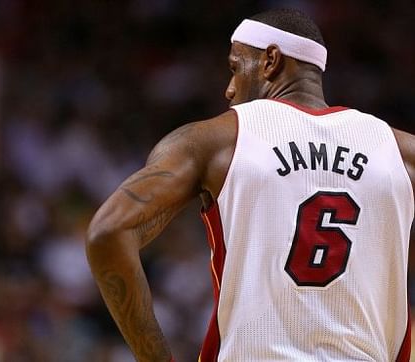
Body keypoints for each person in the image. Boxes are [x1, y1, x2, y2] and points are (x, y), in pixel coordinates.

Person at [86, 8, 414, 362]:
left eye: (234, 67)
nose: (229, 89)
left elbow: (108, 231)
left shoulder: (213, 141)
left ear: (270, 60)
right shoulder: (403, 152)